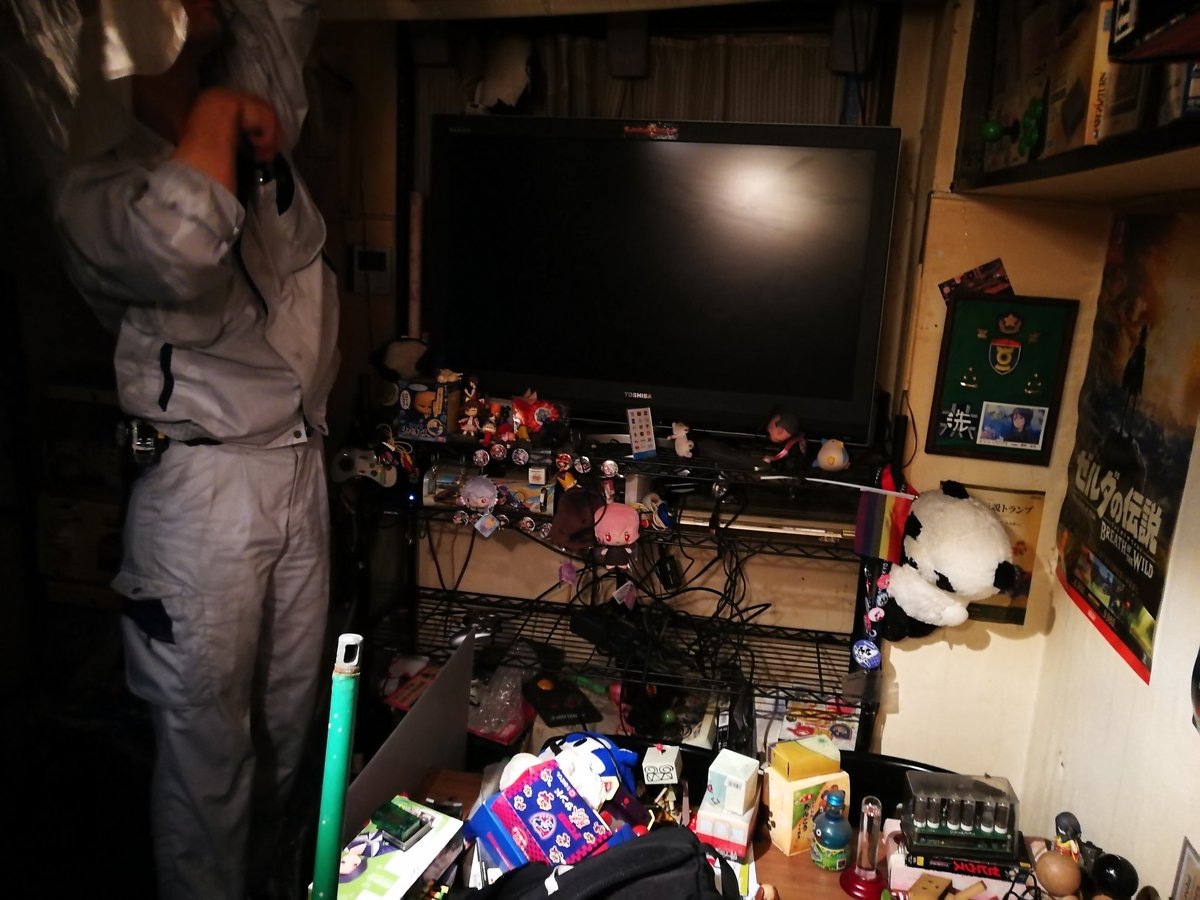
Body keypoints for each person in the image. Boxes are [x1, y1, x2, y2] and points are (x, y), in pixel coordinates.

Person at [51, 1, 339, 898]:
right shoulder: (102, 190)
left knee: (290, 726)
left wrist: (229, 110)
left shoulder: (252, 132)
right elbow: (181, 251)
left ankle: (275, 885)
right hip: (204, 490)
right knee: (209, 753)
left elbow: (284, 21)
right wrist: (215, 116)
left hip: (297, 463)